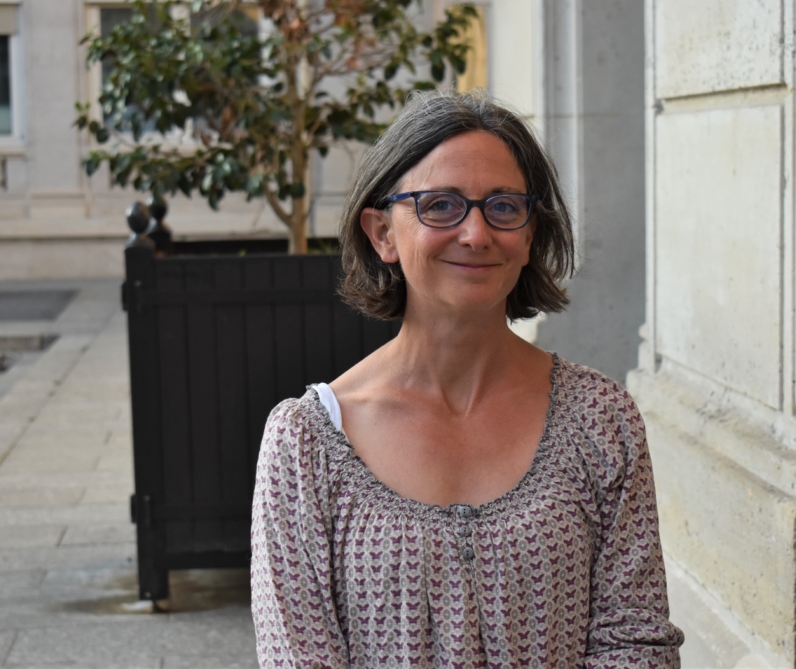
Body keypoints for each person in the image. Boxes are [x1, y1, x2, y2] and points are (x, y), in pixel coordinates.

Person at [250, 90, 684, 667]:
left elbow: (635, 642)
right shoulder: (307, 444)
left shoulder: (600, 420)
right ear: (381, 233)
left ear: (529, 235)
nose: (477, 234)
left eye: (503, 206)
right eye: (440, 205)